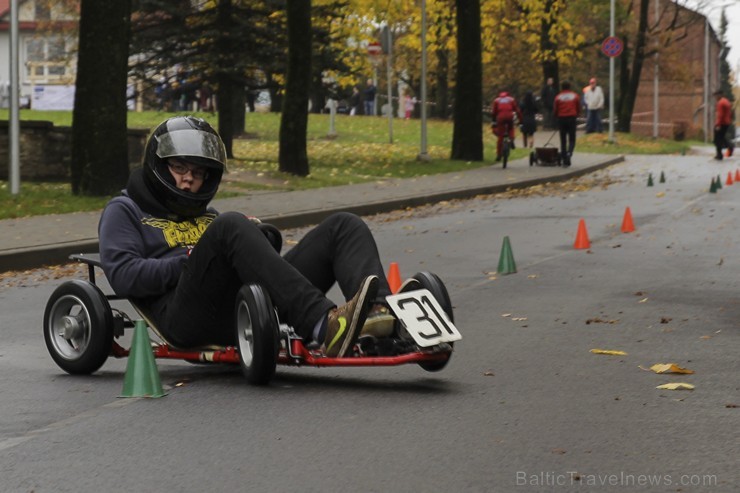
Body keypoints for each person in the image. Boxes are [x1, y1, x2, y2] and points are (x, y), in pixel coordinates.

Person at [98, 116, 409, 358]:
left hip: (242, 304)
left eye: (198, 172)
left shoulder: (209, 217)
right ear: (158, 165)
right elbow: (124, 275)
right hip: (182, 313)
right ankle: (323, 325)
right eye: (179, 167)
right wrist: (186, 260)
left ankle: (378, 316)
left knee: (344, 225)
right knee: (231, 225)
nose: (188, 179)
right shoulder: (125, 210)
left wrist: (257, 239)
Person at [553, 80, 580, 167]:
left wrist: (556, 116)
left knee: (563, 139)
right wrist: (577, 115)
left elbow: (555, 109)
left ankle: (564, 159)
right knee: (572, 138)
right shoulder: (575, 96)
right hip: (571, 118)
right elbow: (578, 107)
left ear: (562, 87)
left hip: (562, 119)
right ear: (569, 87)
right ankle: (569, 153)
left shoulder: (558, 97)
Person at [491, 91, 523, 162]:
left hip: (500, 118)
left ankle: (499, 155)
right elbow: (517, 110)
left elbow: (494, 112)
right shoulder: (511, 99)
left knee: (500, 136)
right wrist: (521, 120)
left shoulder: (497, 100)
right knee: (511, 128)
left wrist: (493, 121)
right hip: (509, 116)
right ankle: (511, 139)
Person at [713, 89, 733, 160]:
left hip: (721, 123)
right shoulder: (726, 101)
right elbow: (729, 113)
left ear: (719, 95)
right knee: (721, 138)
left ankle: (719, 154)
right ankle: (729, 146)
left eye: (716, 96)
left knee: (717, 139)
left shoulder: (720, 103)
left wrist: (718, 124)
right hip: (726, 122)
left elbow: (720, 115)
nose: (715, 98)